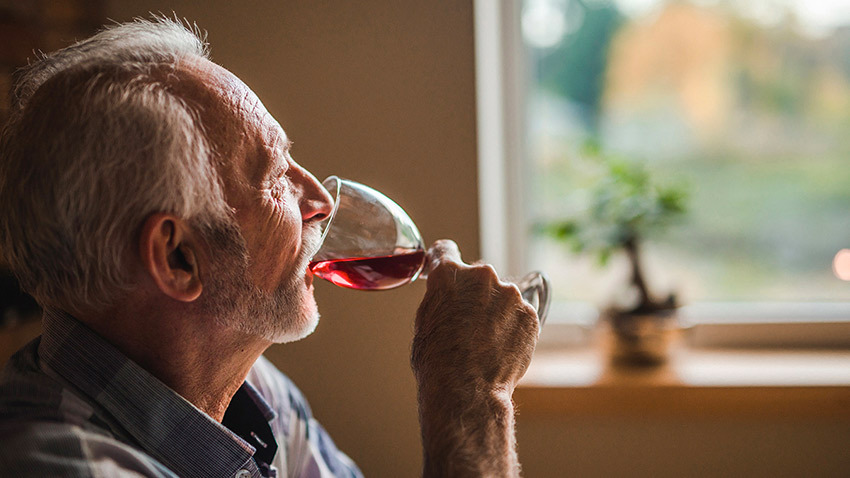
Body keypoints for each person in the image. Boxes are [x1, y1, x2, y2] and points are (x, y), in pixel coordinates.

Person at [0, 17, 539, 477]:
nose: (321, 200)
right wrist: (472, 401)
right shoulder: (66, 466)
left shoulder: (251, 387)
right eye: (277, 178)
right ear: (177, 258)